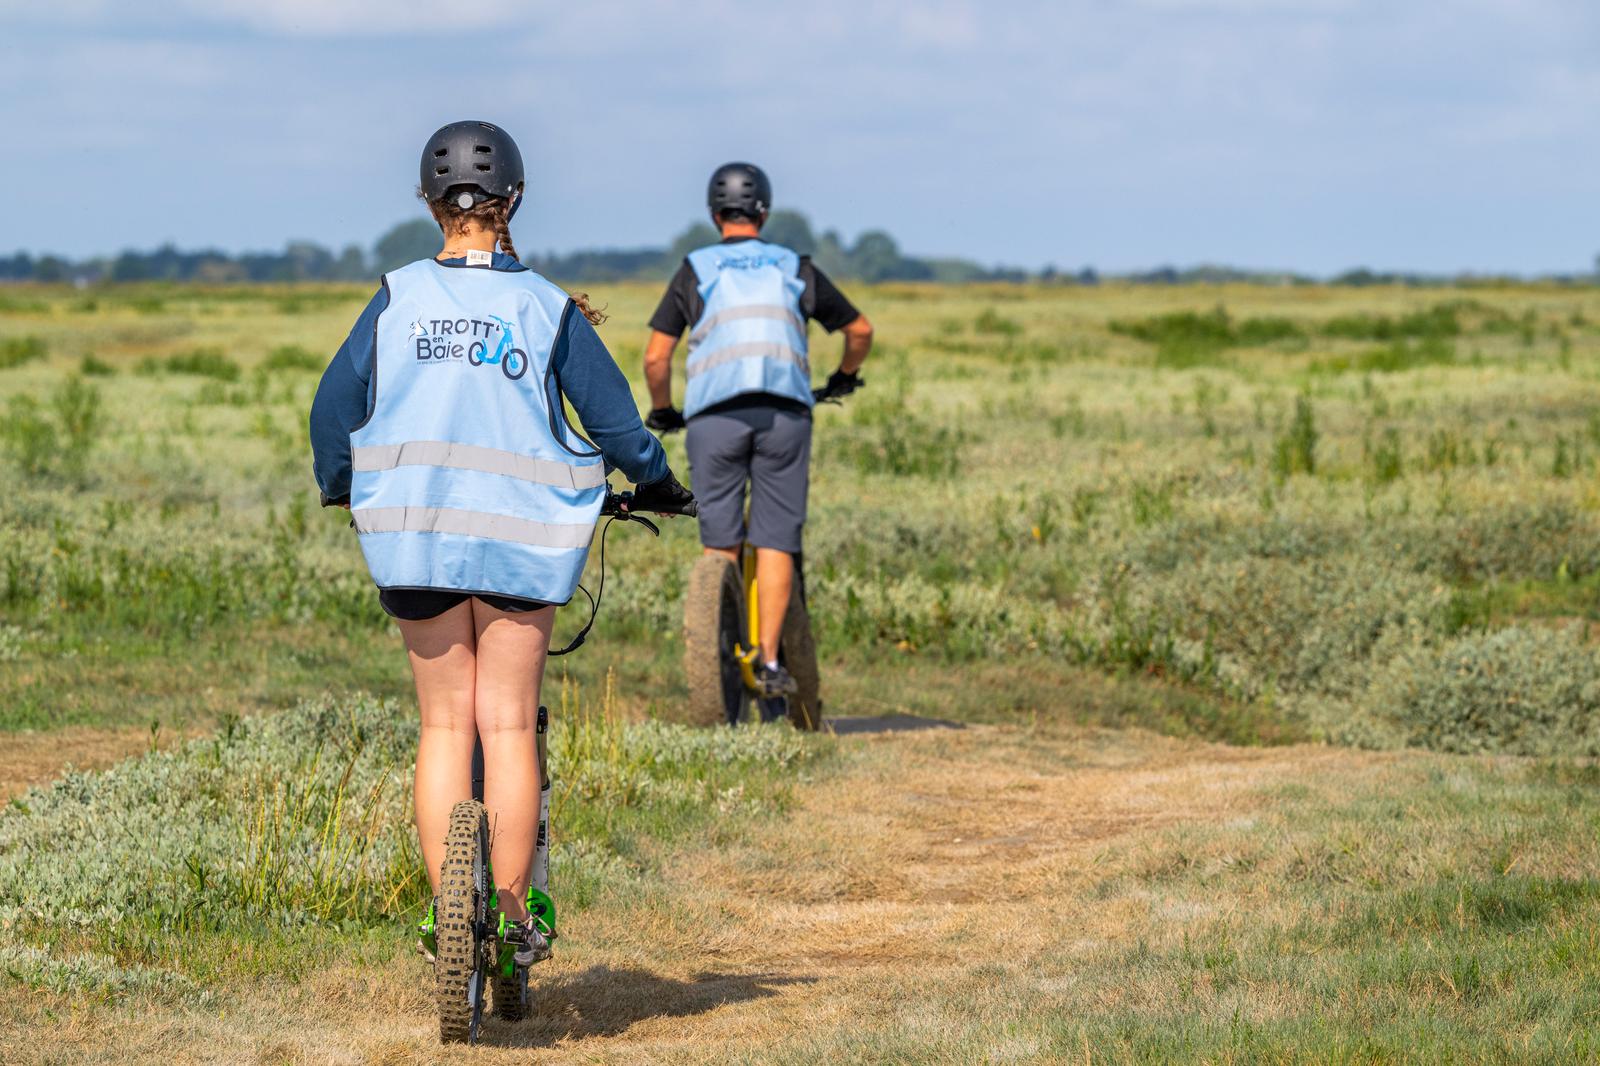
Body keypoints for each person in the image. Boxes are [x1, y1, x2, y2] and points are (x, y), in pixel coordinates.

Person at [309, 120, 693, 964]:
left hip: (413, 542)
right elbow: (616, 424)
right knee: (509, 725)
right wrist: (658, 483)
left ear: (429, 203)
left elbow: (332, 410)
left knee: (446, 726)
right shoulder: (544, 305)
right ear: (511, 200)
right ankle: (514, 921)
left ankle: (446, 918)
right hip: (527, 545)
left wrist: (344, 485)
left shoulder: (396, 297)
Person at [642, 163, 873, 709]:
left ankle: (718, 653)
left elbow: (656, 357)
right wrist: (842, 378)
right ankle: (768, 662)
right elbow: (859, 330)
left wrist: (665, 410)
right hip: (785, 416)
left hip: (714, 419)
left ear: (714, 214)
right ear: (763, 212)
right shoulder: (795, 266)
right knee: (775, 539)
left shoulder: (695, 268)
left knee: (719, 541)